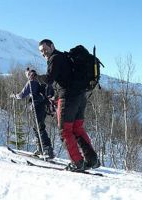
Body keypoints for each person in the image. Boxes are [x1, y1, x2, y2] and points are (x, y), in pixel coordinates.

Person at [38, 39, 100, 171]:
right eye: (41, 51)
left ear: (52, 46)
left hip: (69, 98)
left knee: (65, 130)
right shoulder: (64, 57)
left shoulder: (55, 58)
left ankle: (77, 162)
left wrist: (35, 76)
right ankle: (92, 160)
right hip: (80, 96)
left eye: (45, 49)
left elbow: (49, 79)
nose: (44, 53)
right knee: (77, 128)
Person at [10, 68, 54, 159]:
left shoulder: (31, 82)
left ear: (29, 74)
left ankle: (47, 149)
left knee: (39, 127)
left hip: (36, 106)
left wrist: (14, 96)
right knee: (37, 127)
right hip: (44, 107)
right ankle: (41, 148)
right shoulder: (41, 81)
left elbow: (22, 95)